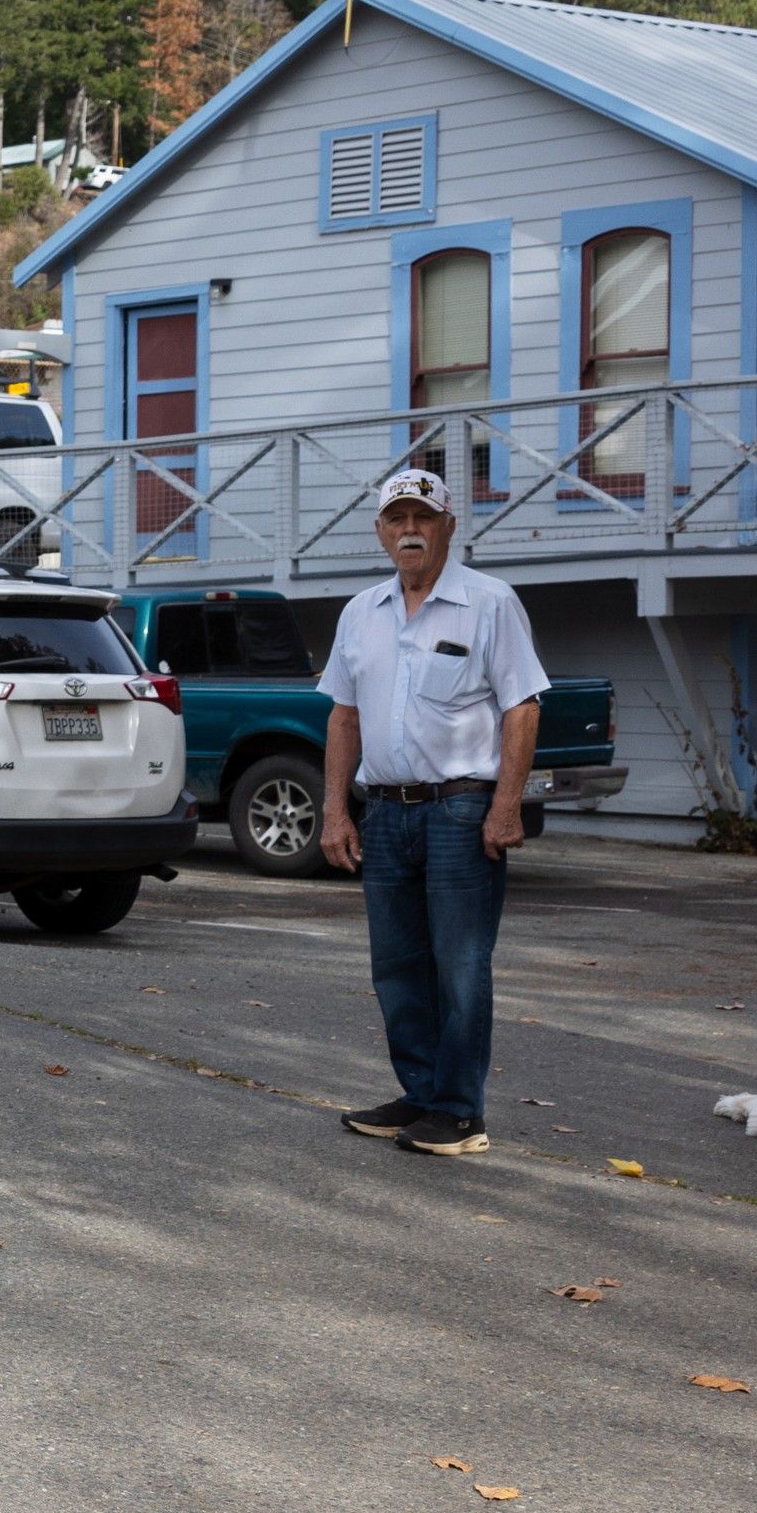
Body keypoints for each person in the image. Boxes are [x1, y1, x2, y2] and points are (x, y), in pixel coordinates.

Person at [319, 466, 547, 1157]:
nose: (409, 530)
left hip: (460, 810)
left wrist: (506, 806)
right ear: (381, 531)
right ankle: (419, 1095)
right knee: (396, 964)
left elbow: (523, 707)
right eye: (397, 520)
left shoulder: (490, 602)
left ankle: (459, 1111)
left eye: (423, 518)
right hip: (385, 813)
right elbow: (344, 717)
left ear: (450, 525)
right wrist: (336, 810)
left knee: (460, 964)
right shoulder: (361, 611)